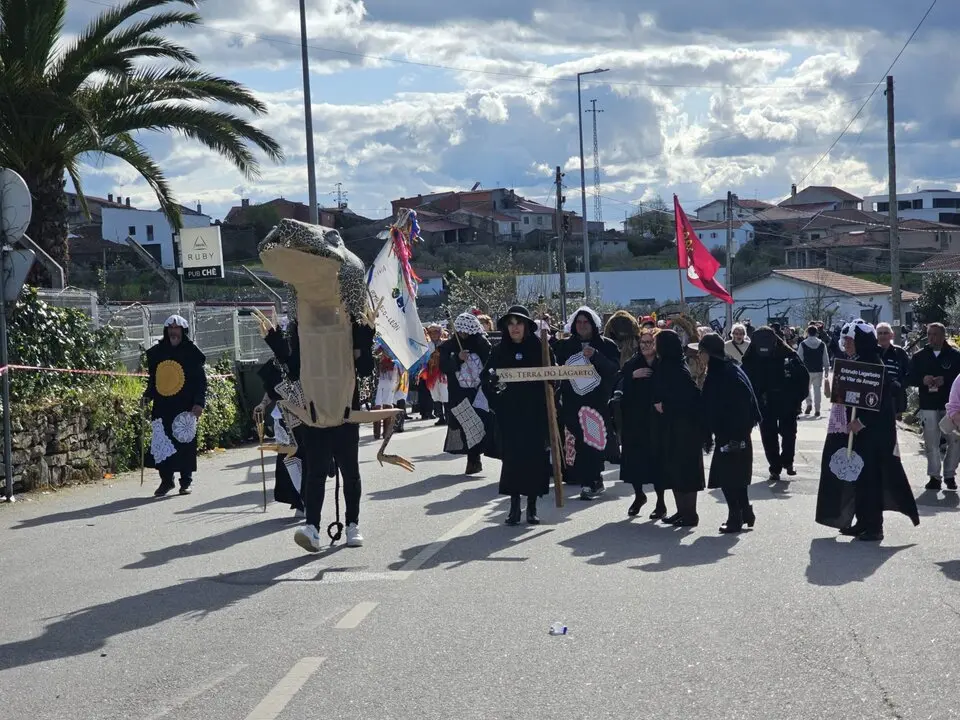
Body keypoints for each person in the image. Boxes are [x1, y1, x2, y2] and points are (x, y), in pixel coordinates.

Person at [263, 317, 375, 552]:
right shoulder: (303, 328)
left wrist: (365, 339)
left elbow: (365, 369)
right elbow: (294, 372)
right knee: (316, 473)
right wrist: (276, 343)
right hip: (314, 416)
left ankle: (352, 524)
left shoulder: (350, 327)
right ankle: (312, 526)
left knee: (350, 472)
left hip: (345, 414)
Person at [815, 321, 919, 541]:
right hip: (860, 433)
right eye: (846, 340)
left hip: (874, 434)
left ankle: (874, 526)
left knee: (872, 478)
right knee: (860, 478)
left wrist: (861, 421)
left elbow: (878, 402)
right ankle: (862, 521)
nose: (847, 344)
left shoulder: (872, 363)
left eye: (851, 341)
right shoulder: (856, 362)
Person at [482, 305, 553, 525]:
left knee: (534, 459)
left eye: (519, 323)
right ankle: (514, 506)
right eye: (510, 324)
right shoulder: (499, 350)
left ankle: (532, 506)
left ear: (526, 326)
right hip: (510, 414)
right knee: (512, 460)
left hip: (535, 413)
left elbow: (553, 375)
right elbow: (486, 377)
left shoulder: (539, 347)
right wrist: (495, 392)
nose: (514, 328)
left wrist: (551, 386)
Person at [553, 306, 621, 500]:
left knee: (593, 440)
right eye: (579, 322)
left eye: (586, 322)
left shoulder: (606, 345)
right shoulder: (564, 346)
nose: (582, 326)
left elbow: (614, 369)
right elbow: (554, 369)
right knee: (577, 441)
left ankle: (592, 481)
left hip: (596, 403)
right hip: (571, 402)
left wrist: (596, 357)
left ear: (593, 324)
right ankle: (587, 478)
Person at [697, 333, 762, 533]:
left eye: (700, 352)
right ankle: (746, 512)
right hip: (735, 432)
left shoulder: (721, 373)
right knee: (737, 477)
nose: (698, 356)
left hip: (732, 433)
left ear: (708, 353)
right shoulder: (730, 367)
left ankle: (735, 517)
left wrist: (734, 433)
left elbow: (735, 403)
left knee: (728, 479)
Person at [144, 315, 207, 497]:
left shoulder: (192, 353)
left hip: (185, 406)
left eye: (176, 328)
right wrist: (147, 396)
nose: (173, 331)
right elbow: (153, 380)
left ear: (182, 331)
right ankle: (166, 480)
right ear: (166, 331)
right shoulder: (157, 353)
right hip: (163, 406)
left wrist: (198, 403)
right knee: (162, 443)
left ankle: (185, 481)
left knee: (185, 444)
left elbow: (200, 382)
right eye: (170, 328)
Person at [650, 329, 705, 527]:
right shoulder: (666, 364)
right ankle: (682, 511)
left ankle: (690, 514)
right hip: (672, 426)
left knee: (685, 472)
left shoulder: (676, 368)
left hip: (684, 428)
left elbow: (689, 398)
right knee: (675, 470)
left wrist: (664, 404)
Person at [741, 326, 809, 481]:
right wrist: (798, 399)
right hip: (787, 402)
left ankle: (775, 468)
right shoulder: (788, 353)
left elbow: (744, 380)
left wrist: (752, 402)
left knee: (768, 435)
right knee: (789, 433)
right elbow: (803, 377)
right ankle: (788, 462)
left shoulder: (751, 356)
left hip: (765, 404)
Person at [612, 327, 662, 517]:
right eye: (643, 342)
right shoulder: (633, 363)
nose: (645, 346)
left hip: (655, 418)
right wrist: (633, 376)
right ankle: (639, 495)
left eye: (649, 342)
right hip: (634, 419)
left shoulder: (661, 363)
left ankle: (661, 502)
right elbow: (620, 381)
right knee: (634, 459)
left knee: (657, 461)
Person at [908, 322, 960, 491]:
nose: (931, 338)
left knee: (955, 440)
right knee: (931, 442)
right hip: (928, 404)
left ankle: (950, 474)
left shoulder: (955, 356)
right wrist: (922, 380)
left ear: (943, 335)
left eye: (935, 334)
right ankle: (934, 476)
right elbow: (910, 377)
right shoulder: (919, 356)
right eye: (929, 334)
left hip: (950, 406)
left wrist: (945, 380)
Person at [439, 312, 492, 475]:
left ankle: (476, 457)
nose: (463, 334)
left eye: (466, 331)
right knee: (467, 426)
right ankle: (473, 458)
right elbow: (444, 367)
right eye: (460, 331)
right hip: (458, 394)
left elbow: (490, 364)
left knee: (480, 424)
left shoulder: (482, 344)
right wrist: (457, 359)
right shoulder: (449, 346)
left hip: (479, 393)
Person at [877, 322, 910, 418]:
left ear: (891, 335)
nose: (882, 336)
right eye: (880, 333)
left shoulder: (900, 353)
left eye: (885, 333)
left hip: (895, 400)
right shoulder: (872, 353)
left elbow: (909, 373)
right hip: (875, 399)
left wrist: (900, 384)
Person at [799, 324, 831, 417]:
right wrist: (826, 369)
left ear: (808, 332)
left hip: (806, 370)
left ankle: (809, 404)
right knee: (817, 390)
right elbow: (825, 357)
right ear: (816, 333)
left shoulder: (803, 344)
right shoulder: (821, 344)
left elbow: (799, 358)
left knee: (807, 389)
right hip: (818, 370)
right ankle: (817, 409)